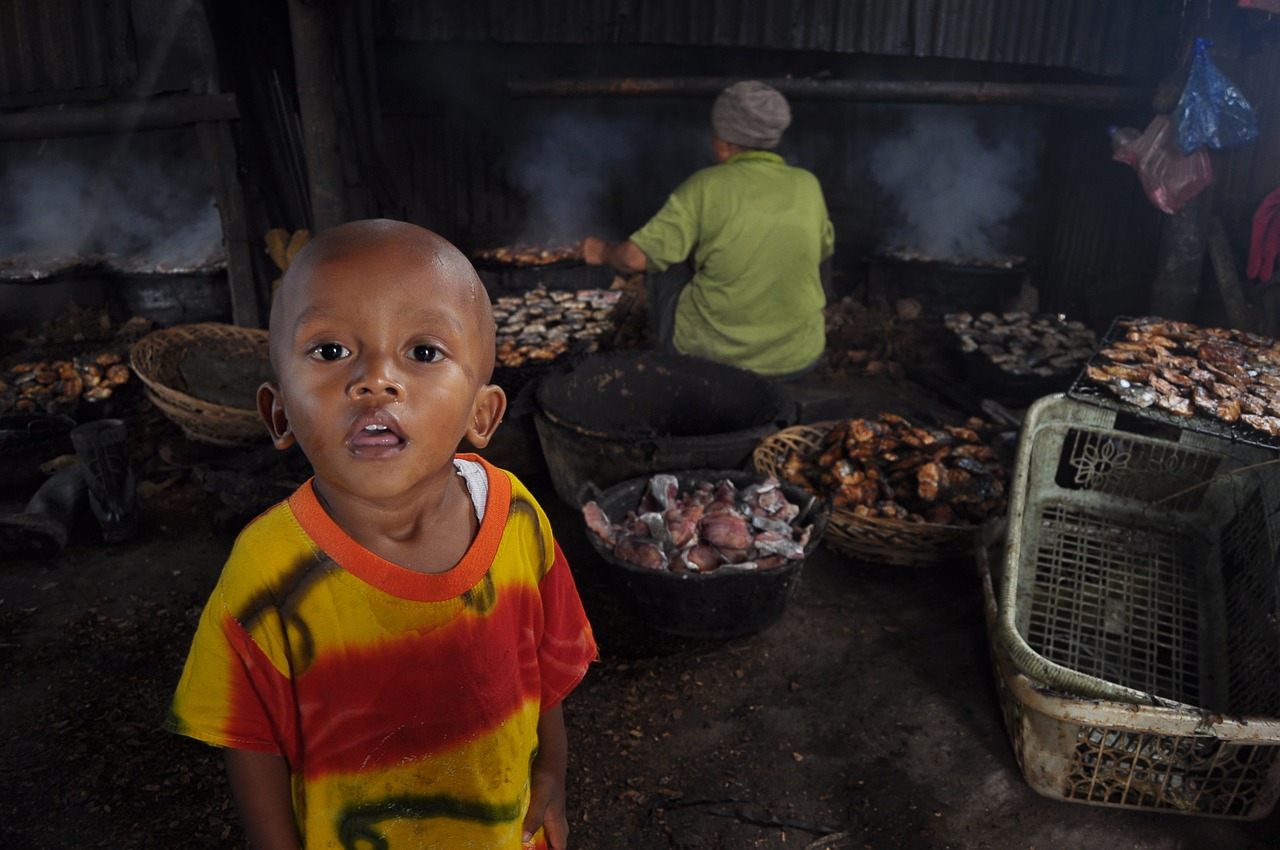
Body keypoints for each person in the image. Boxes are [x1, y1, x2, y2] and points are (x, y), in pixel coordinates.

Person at [165, 219, 598, 850]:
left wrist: (552, 772)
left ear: (482, 413)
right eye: (330, 351)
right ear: (278, 413)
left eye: (423, 353)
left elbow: (545, 664)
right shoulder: (269, 569)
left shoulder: (514, 516)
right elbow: (249, 741)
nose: (375, 380)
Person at [581, 80, 835, 380]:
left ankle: (682, 369)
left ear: (725, 144)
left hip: (713, 358)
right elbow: (824, 250)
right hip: (798, 356)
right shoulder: (808, 185)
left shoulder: (706, 185)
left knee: (664, 257)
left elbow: (635, 258)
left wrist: (602, 251)